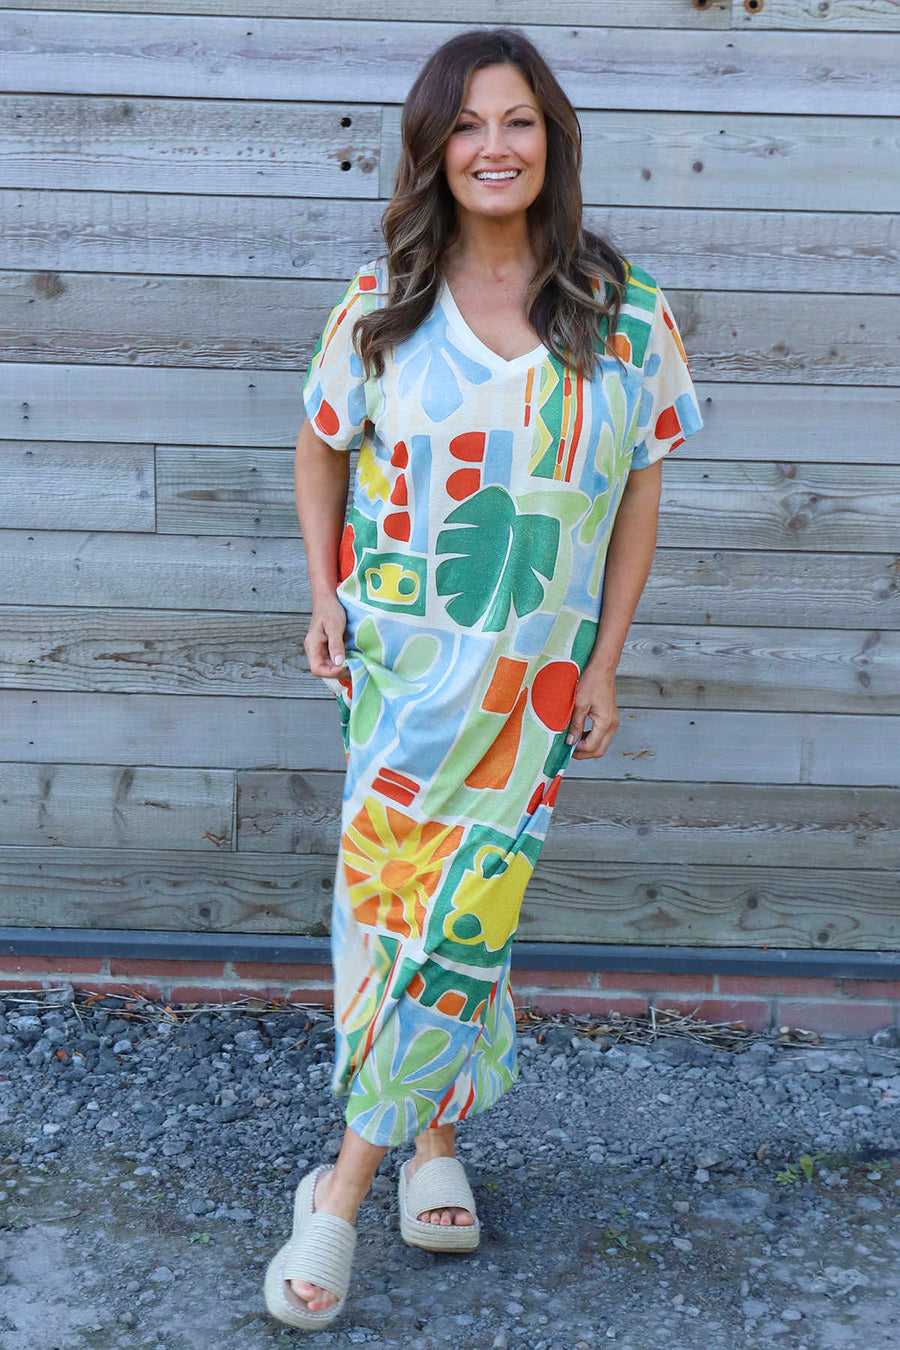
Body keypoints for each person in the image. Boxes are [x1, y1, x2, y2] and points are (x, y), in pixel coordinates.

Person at [264, 25, 703, 1330]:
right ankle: (431, 1145)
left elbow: (640, 491)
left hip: (534, 693)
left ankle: (340, 1192)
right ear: (434, 149)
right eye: (466, 125)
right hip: (402, 678)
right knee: (393, 910)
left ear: (551, 140)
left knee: (469, 916)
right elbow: (319, 444)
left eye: (516, 121)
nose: (493, 147)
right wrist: (322, 595)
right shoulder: (381, 302)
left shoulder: (625, 311)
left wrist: (606, 662)